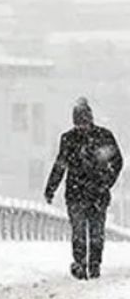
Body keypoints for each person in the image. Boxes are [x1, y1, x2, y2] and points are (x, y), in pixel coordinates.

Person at [45, 97, 123, 280]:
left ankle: (93, 264)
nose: (81, 126)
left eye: (83, 122)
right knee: (81, 231)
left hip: (90, 192)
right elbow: (60, 165)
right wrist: (51, 188)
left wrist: (106, 183)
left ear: (90, 119)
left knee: (94, 231)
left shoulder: (100, 137)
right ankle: (81, 264)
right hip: (84, 193)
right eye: (78, 123)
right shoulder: (75, 139)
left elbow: (117, 161)